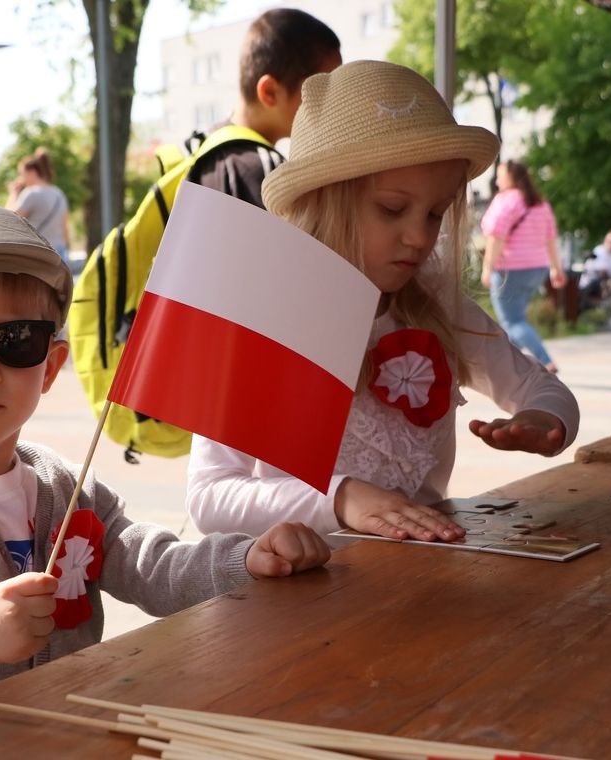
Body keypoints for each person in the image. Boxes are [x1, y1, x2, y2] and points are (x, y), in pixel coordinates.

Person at [0, 199, 330, 719]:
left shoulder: (66, 486)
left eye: (15, 340)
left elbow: (150, 564)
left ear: (52, 366)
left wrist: (245, 559)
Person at [185, 61, 580, 543]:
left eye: (435, 214)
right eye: (392, 209)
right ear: (323, 201)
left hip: (414, 581)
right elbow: (209, 496)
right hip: (296, 597)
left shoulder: (434, 304)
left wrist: (546, 418)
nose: (418, 236)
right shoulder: (261, 317)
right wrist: (340, 498)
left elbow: (542, 388)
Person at [191, 8, 341, 209]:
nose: (334, 104)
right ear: (270, 92)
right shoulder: (260, 173)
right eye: (322, 90)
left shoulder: (202, 148)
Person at [480, 160, 567, 373]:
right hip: (537, 270)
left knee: (513, 321)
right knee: (516, 320)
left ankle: (545, 361)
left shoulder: (504, 201)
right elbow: (550, 240)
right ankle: (505, 367)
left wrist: (487, 268)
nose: (497, 179)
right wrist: (557, 269)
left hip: (510, 270)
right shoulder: (540, 204)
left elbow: (495, 238)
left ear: (511, 177)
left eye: (500, 175)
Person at [7, 148, 70, 263]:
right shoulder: (59, 194)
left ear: (32, 173)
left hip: (39, 253)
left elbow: (9, 218)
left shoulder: (31, 193)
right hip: (59, 252)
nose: (21, 179)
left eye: (22, 174)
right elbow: (64, 227)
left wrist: (13, 193)